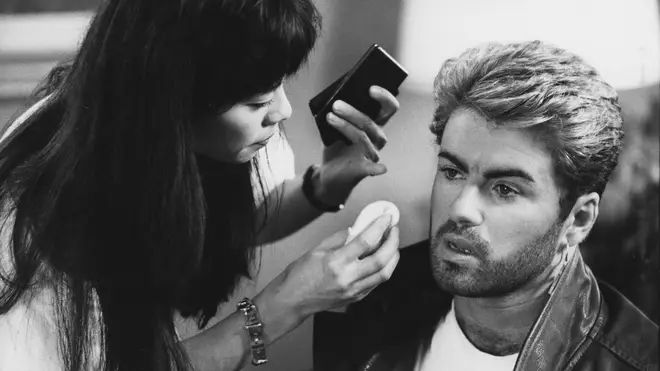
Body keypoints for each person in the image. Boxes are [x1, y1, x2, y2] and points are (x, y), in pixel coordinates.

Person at [0, 0, 403, 370]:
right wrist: (287, 301)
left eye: (279, 85)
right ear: (176, 103)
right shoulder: (49, 229)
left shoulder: (181, 138)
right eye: (258, 103)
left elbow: (251, 213)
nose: (284, 110)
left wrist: (323, 187)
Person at [351, 40, 658, 370]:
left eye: (505, 189)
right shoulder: (365, 306)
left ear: (579, 219)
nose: (460, 210)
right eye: (452, 172)